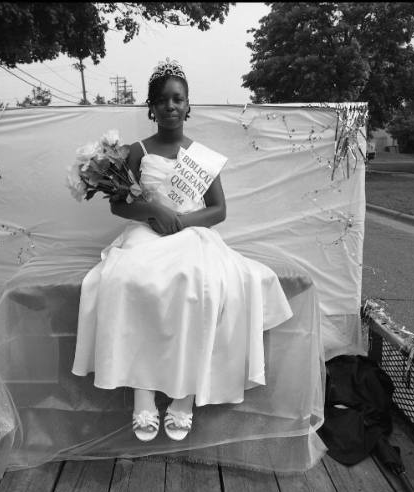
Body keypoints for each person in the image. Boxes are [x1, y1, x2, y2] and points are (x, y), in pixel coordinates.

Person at [71, 58, 294, 442]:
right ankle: (142, 390)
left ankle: (184, 396)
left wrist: (184, 221)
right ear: (151, 107)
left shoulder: (202, 156)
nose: (170, 106)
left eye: (177, 99)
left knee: (204, 285)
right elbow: (119, 204)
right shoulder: (136, 151)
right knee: (126, 279)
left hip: (191, 234)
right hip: (147, 232)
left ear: (188, 106)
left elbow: (219, 209)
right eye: (161, 100)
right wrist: (154, 210)